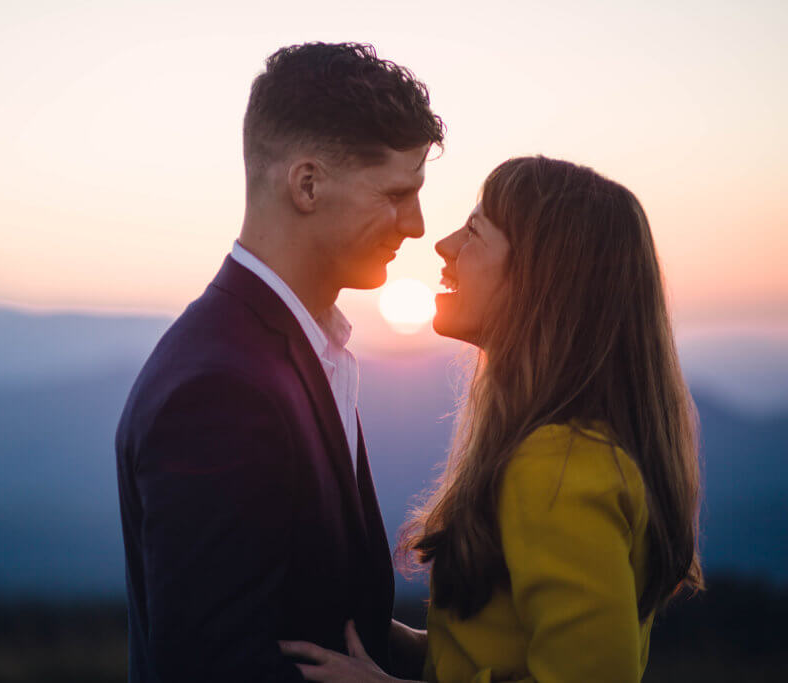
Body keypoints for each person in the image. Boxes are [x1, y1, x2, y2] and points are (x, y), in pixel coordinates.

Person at [279, 156, 704, 682]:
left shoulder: (560, 466)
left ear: (541, 275)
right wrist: (386, 637)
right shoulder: (565, 452)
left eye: (475, 230)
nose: (445, 245)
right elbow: (505, 651)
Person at [115, 42, 445, 682]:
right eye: (398, 193)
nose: (417, 224)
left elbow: (332, 616)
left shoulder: (303, 352)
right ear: (308, 184)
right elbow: (215, 668)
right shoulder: (219, 390)